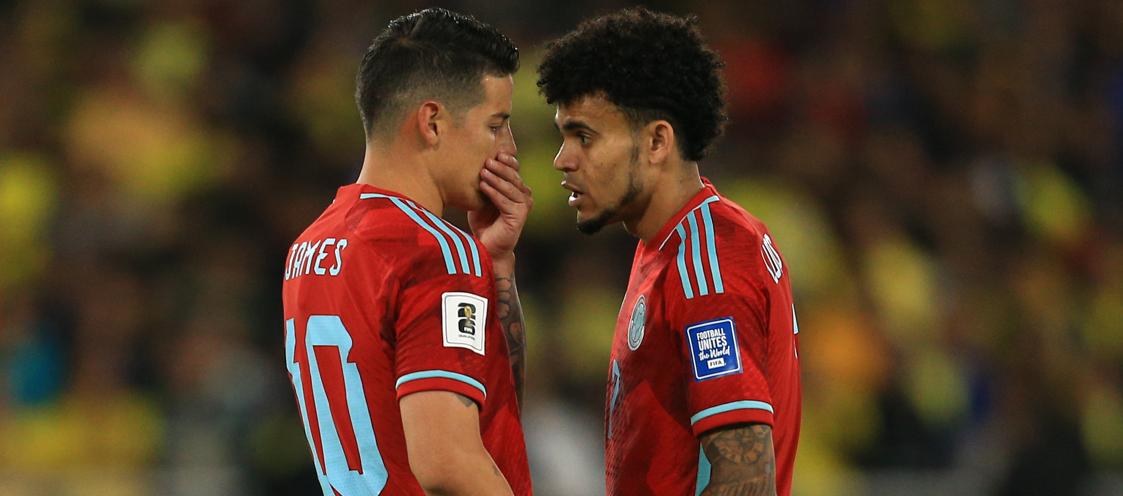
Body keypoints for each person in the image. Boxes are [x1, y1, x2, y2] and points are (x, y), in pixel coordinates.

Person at [538, 7, 800, 496]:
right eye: (563, 136)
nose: (563, 159)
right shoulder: (670, 247)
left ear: (657, 140)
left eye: (584, 137)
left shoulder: (708, 263)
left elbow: (746, 475)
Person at [282, 8, 533, 495]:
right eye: (497, 125)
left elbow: (484, 402)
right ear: (433, 122)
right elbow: (446, 463)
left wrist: (496, 264)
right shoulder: (434, 251)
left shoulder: (310, 246)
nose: (510, 148)